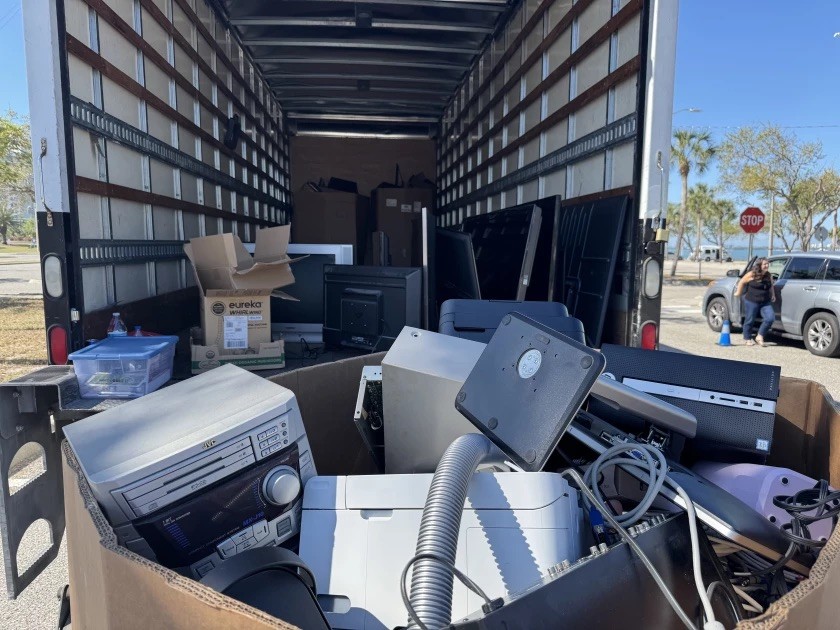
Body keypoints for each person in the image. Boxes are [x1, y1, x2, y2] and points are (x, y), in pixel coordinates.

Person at [734, 258, 776, 346]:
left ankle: (759, 336)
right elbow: (741, 282)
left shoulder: (769, 275)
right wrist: (738, 292)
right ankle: (747, 338)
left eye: (767, 264)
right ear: (760, 265)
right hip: (752, 301)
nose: (767, 266)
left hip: (765, 302)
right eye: (765, 264)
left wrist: (773, 295)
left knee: (770, 318)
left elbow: (771, 285)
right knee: (750, 319)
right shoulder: (752, 274)